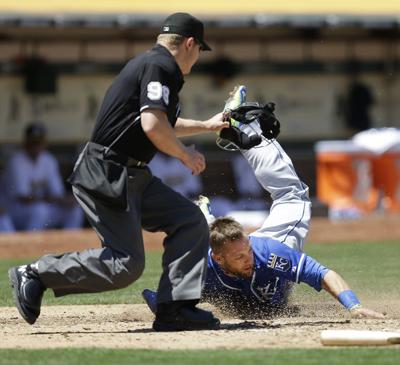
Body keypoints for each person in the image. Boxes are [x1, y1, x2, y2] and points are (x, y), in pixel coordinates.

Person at [8, 12, 230, 331]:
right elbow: (154, 125)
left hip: (131, 174)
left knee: (189, 219)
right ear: (191, 44)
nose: (197, 57)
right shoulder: (161, 65)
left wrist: (207, 126)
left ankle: (175, 309)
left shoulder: (153, 64)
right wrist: (185, 155)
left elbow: (155, 120)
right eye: (200, 50)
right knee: (125, 265)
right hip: (107, 171)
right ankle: (37, 272)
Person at [142, 87, 384, 320]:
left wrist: (355, 307)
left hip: (272, 241)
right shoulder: (203, 272)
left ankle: (245, 128)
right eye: (239, 257)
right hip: (215, 256)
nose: (248, 259)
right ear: (219, 261)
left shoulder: (266, 253)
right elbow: (158, 299)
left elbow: (323, 274)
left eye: (246, 251)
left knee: (292, 194)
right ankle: (206, 221)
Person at [2, 122, 84, 231]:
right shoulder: (16, 161)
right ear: (25, 143)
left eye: (39, 142)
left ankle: (70, 243)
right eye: (33, 142)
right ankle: (31, 245)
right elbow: (23, 198)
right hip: (15, 210)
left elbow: (57, 193)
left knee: (75, 209)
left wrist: (66, 200)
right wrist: (55, 199)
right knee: (40, 210)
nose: (36, 146)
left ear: (44, 143)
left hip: (41, 207)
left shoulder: (48, 160)